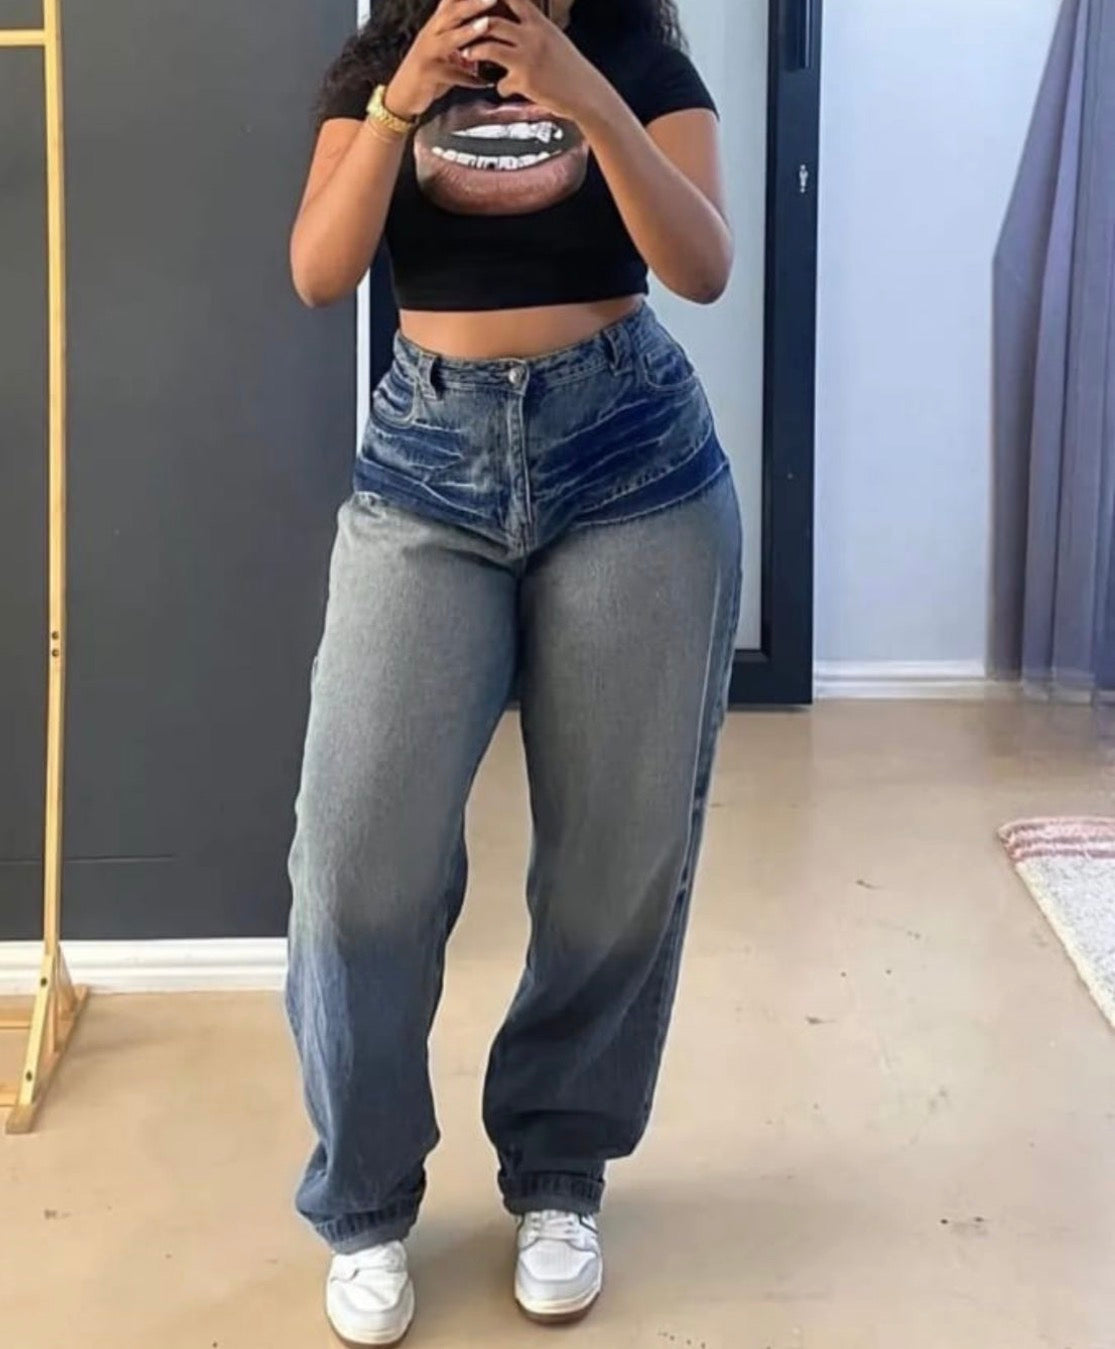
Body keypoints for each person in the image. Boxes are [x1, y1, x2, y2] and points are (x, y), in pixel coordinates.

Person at [284, 0, 742, 1341]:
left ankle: (559, 1172)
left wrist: (583, 89)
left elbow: (703, 264)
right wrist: (400, 100)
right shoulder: (380, 70)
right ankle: (367, 1199)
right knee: (355, 864)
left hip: (635, 465)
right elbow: (319, 273)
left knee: (616, 860)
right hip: (427, 472)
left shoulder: (639, 58)